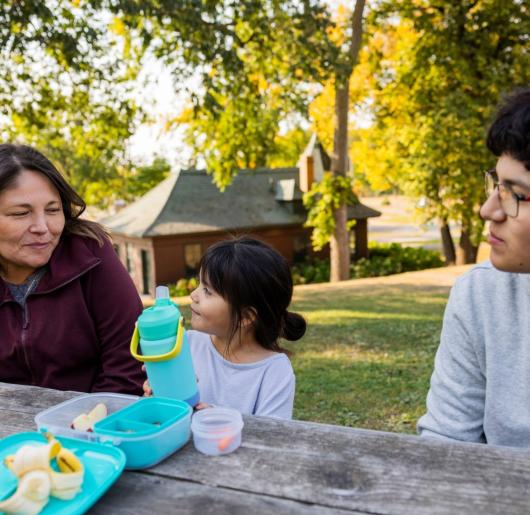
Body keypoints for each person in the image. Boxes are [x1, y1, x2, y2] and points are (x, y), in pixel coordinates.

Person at [417, 88, 530, 446]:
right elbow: (445, 443)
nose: (488, 210)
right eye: (497, 184)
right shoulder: (481, 295)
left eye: (517, 193)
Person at [0, 143, 145, 394]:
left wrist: (83, 427)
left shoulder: (91, 252)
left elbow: (128, 367)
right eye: (21, 213)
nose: (42, 227)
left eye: (53, 210)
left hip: (94, 424)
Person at [145, 236, 306, 419]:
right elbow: (166, 415)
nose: (193, 295)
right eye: (199, 284)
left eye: (207, 291)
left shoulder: (274, 371)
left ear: (246, 317)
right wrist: (158, 389)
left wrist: (218, 419)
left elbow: (273, 435)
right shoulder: (185, 343)